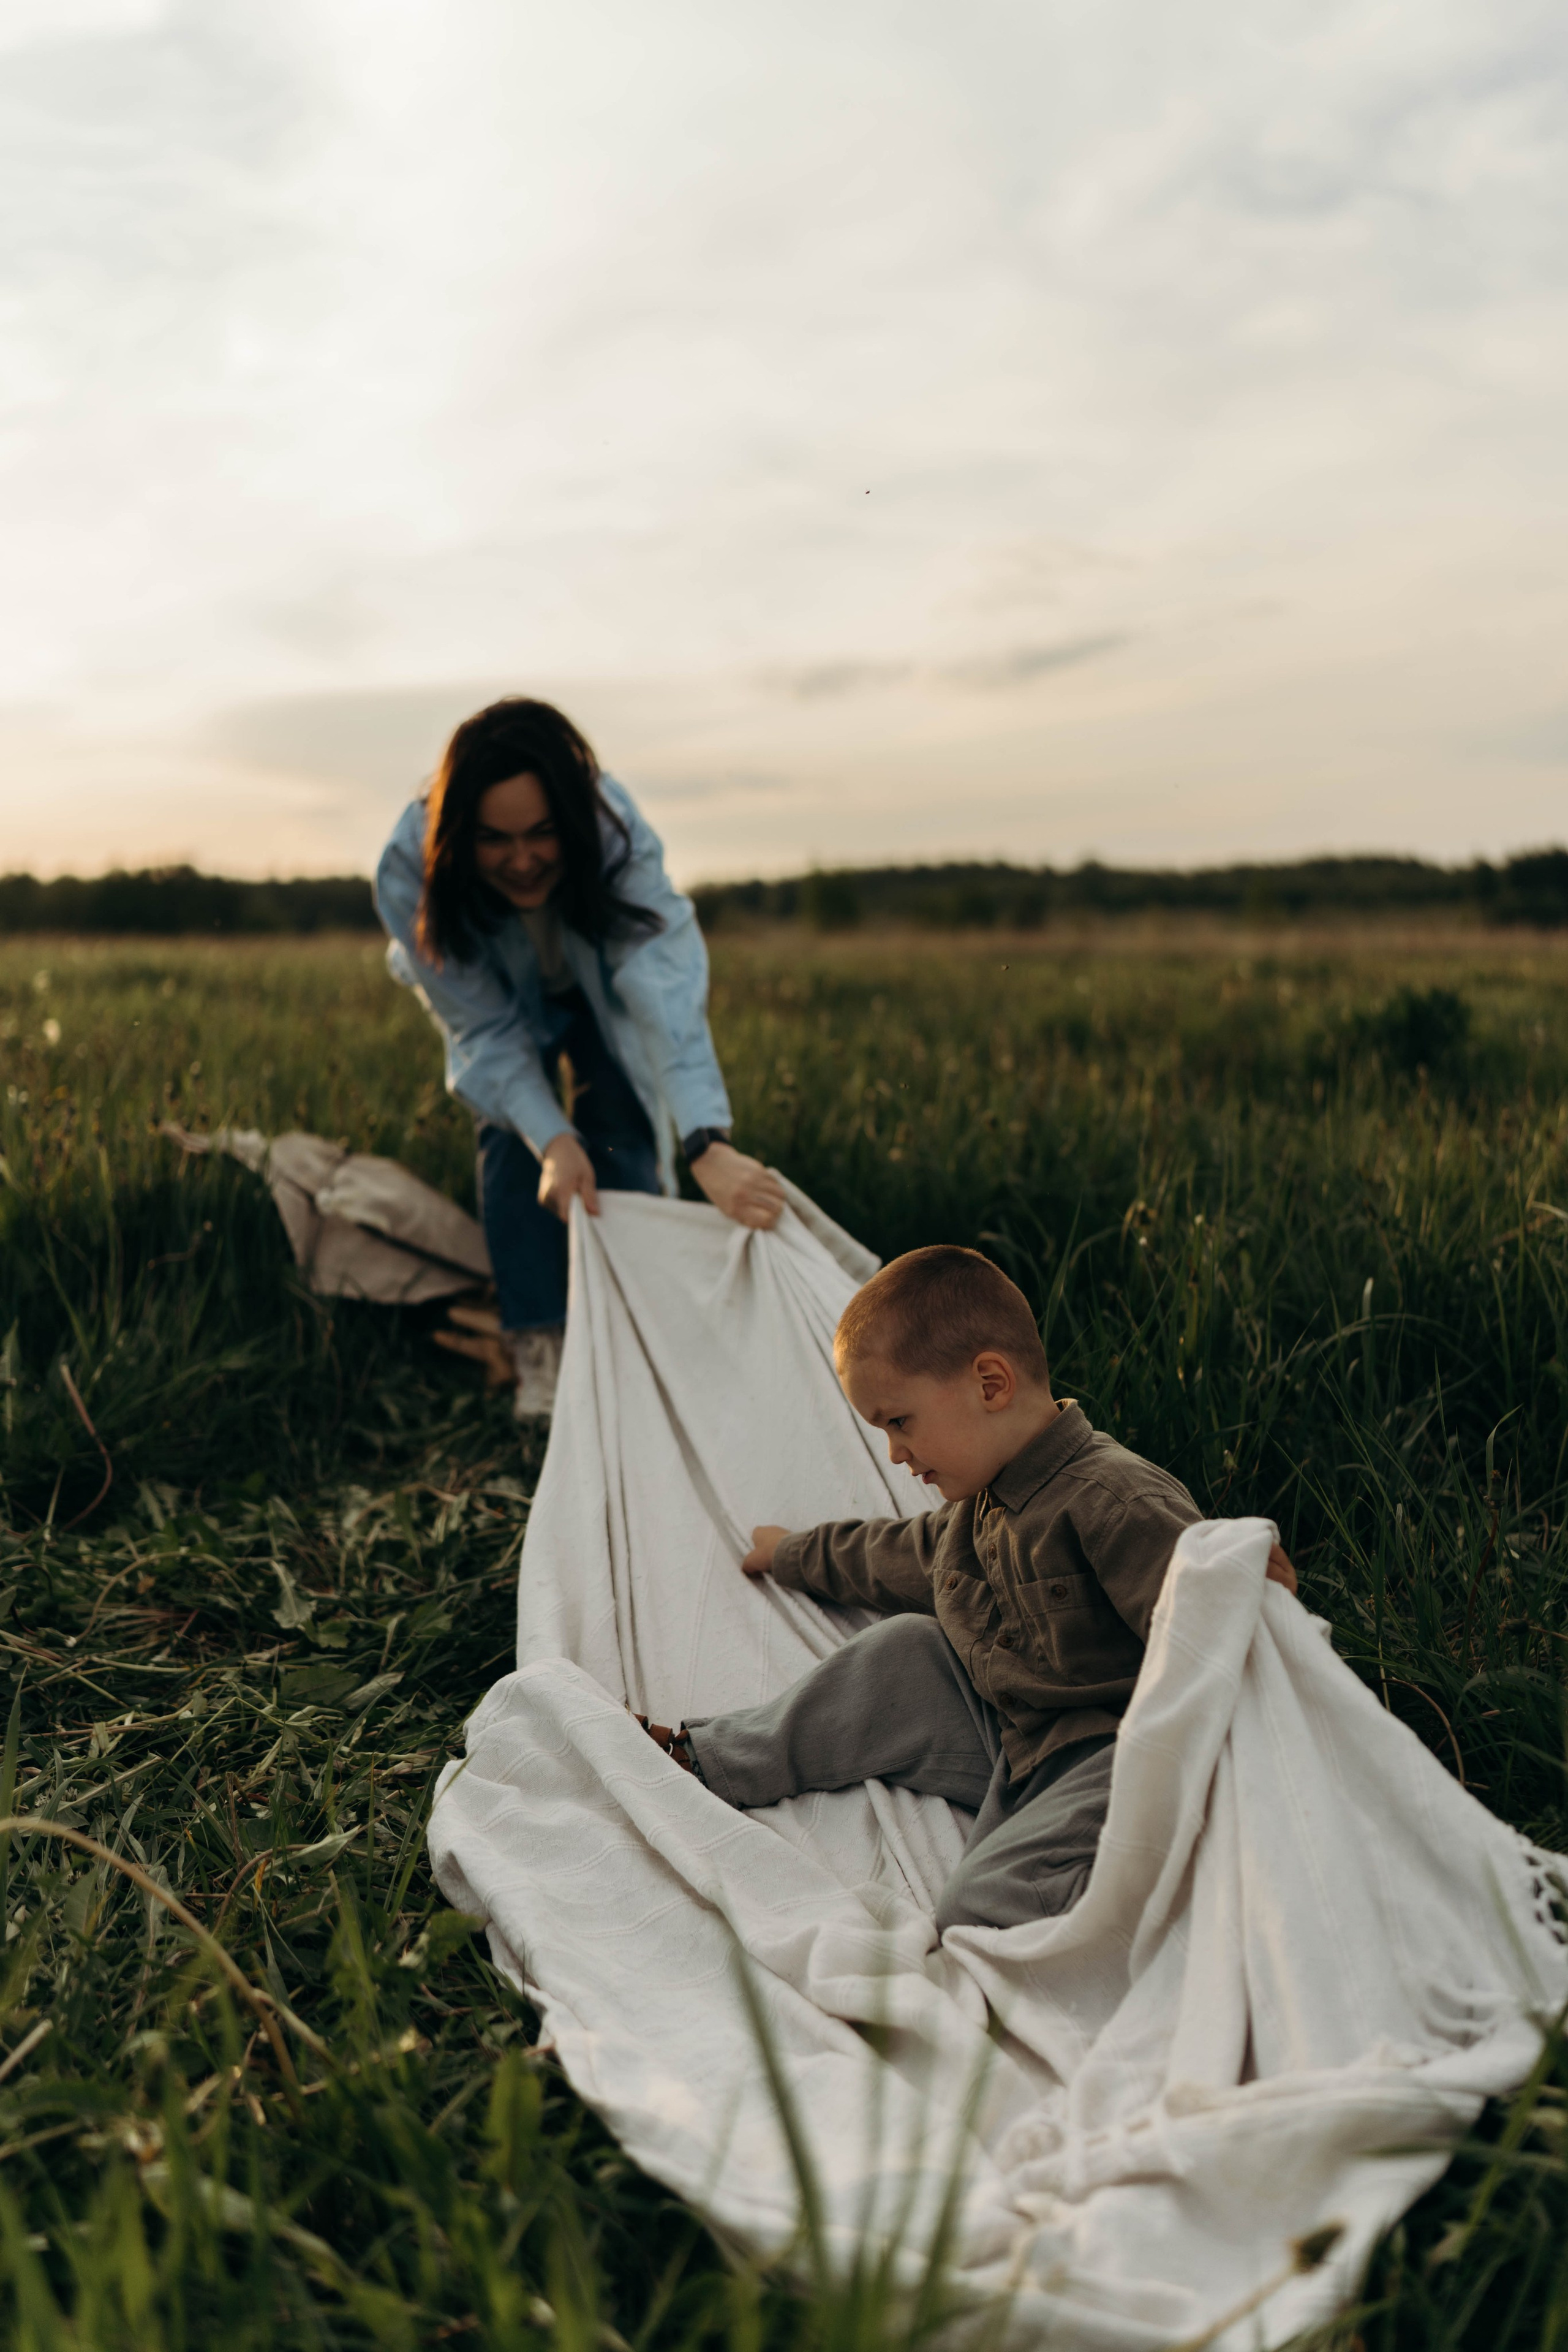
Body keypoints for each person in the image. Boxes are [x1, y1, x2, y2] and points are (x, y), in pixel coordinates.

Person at [640, 1245, 1297, 1933]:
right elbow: (891, 1554)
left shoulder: (1113, 1499)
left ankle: (1158, 1906)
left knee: (979, 1904)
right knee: (905, 1650)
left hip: (1116, 1759)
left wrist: (1245, 1587)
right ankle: (708, 1760)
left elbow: (1217, 1630)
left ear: (990, 1383)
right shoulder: (977, 1511)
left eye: (900, 1422)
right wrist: (791, 1553)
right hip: (1015, 1735)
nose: (895, 1453)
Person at [375, 698, 783, 1416]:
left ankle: (635, 1329)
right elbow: (485, 1034)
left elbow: (662, 981)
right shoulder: (408, 869)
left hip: (599, 990)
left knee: (621, 1117)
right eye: (494, 840)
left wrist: (704, 1140)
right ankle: (542, 1343)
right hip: (503, 1007)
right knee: (512, 1136)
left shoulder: (615, 832)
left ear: (573, 819)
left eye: (542, 834)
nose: (523, 859)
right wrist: (553, 1141)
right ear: (456, 835)